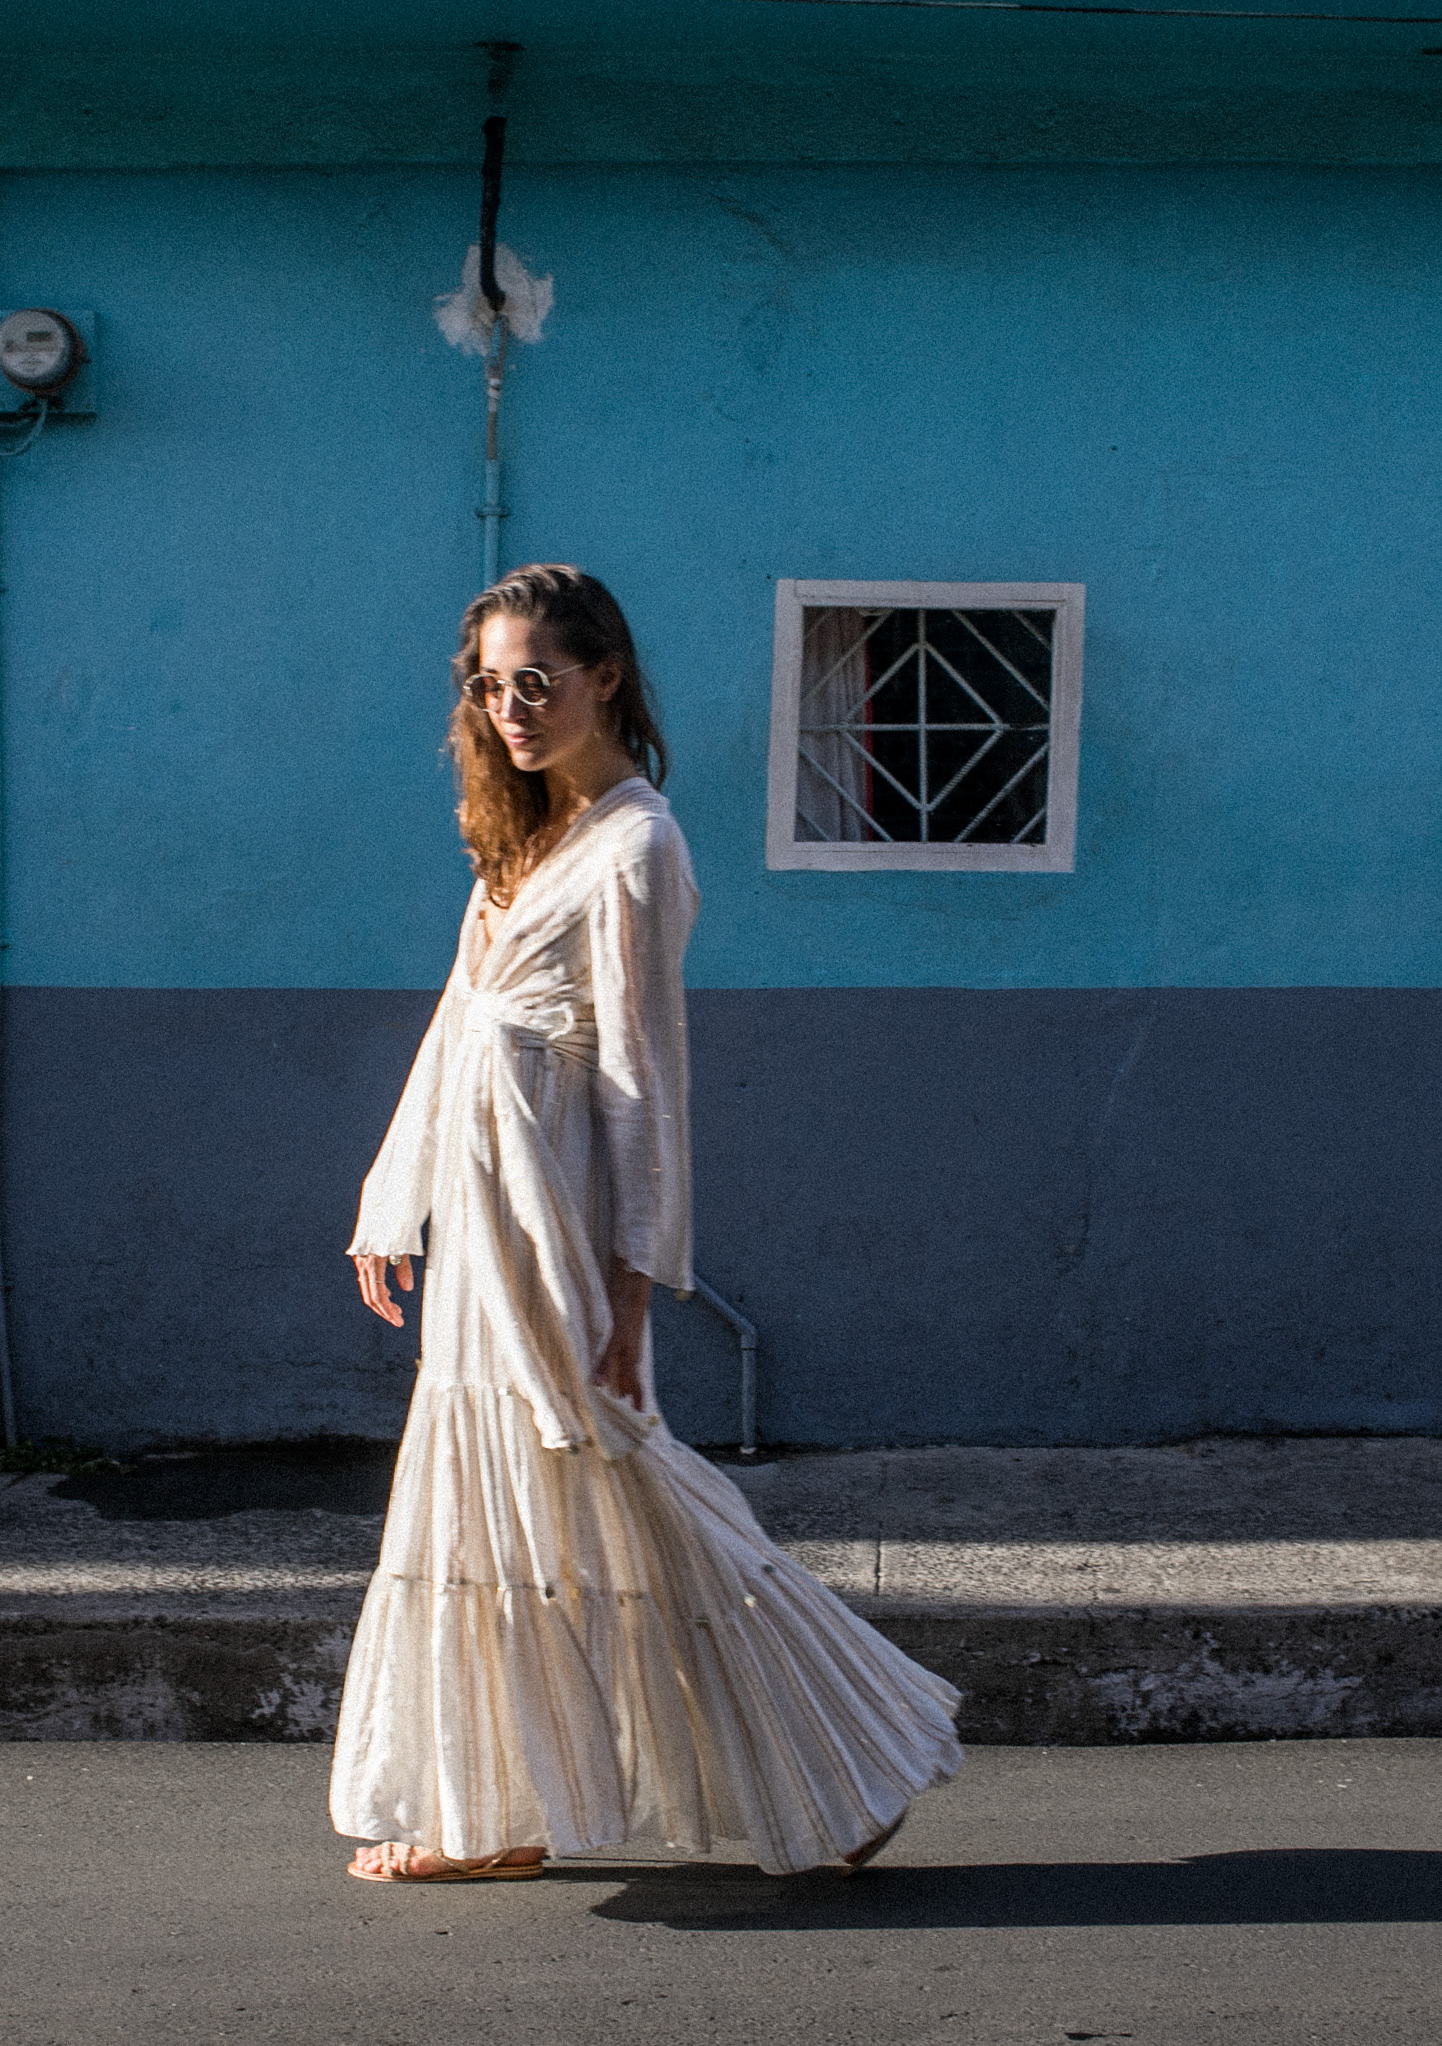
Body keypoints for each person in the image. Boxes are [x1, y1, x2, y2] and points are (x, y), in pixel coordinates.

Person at [335, 564, 963, 1883]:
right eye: (490, 685)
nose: (511, 707)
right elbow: (456, 1029)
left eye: (537, 680)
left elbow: (642, 1084)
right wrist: (392, 1201)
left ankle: (852, 1760)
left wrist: (632, 1297)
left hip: (556, 1231)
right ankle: (496, 1812)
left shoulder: (636, 844)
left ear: (603, 674)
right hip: (481, 1235)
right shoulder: (519, 845)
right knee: (497, 1513)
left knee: (631, 1494)